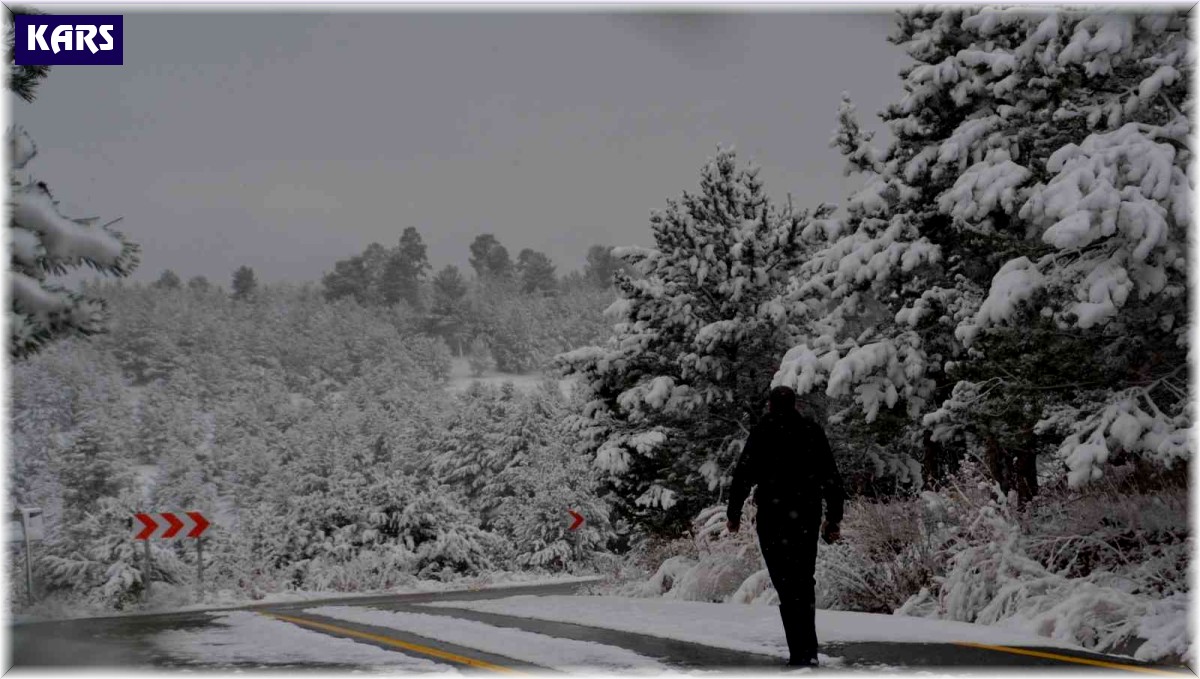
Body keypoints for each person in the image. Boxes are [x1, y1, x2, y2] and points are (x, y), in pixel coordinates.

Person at [726, 385, 844, 667]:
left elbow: (743, 474)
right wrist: (834, 517)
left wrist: (734, 513)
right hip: (806, 515)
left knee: (785, 582)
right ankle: (807, 650)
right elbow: (830, 474)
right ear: (795, 405)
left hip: (773, 517)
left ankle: (799, 652)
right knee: (804, 580)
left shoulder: (762, 432)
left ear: (770, 405)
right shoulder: (811, 431)